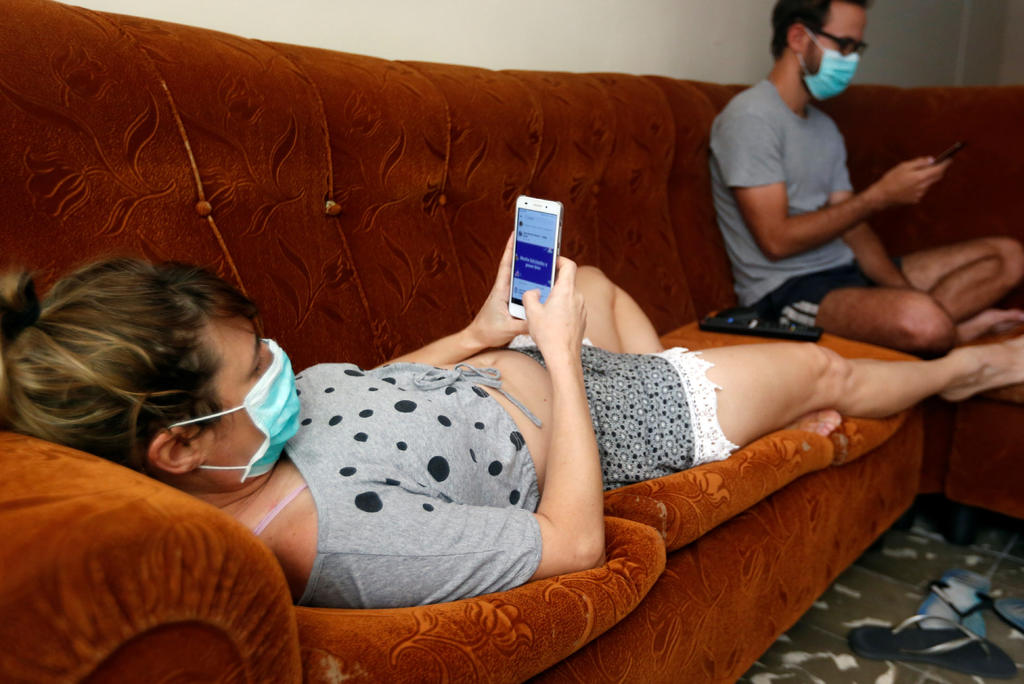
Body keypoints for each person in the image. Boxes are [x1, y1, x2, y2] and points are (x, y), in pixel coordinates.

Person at [3, 237, 1024, 609]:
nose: (283, 369)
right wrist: (566, 363)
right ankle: (966, 370)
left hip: (548, 373)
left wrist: (481, 331)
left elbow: (366, 395)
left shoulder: (246, 448)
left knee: (598, 281)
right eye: (257, 366)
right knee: (821, 370)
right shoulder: (344, 543)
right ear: (177, 447)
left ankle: (723, 382)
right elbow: (573, 544)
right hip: (616, 416)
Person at [710, 0, 1024, 355]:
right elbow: (776, 241)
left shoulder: (824, 127)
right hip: (789, 289)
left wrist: (901, 291)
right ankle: (954, 333)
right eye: (844, 45)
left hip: (847, 269)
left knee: (1008, 257)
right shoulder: (751, 118)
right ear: (798, 37)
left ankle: (937, 332)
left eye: (857, 48)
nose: (851, 60)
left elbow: (853, 227)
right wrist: (879, 197)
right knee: (925, 322)